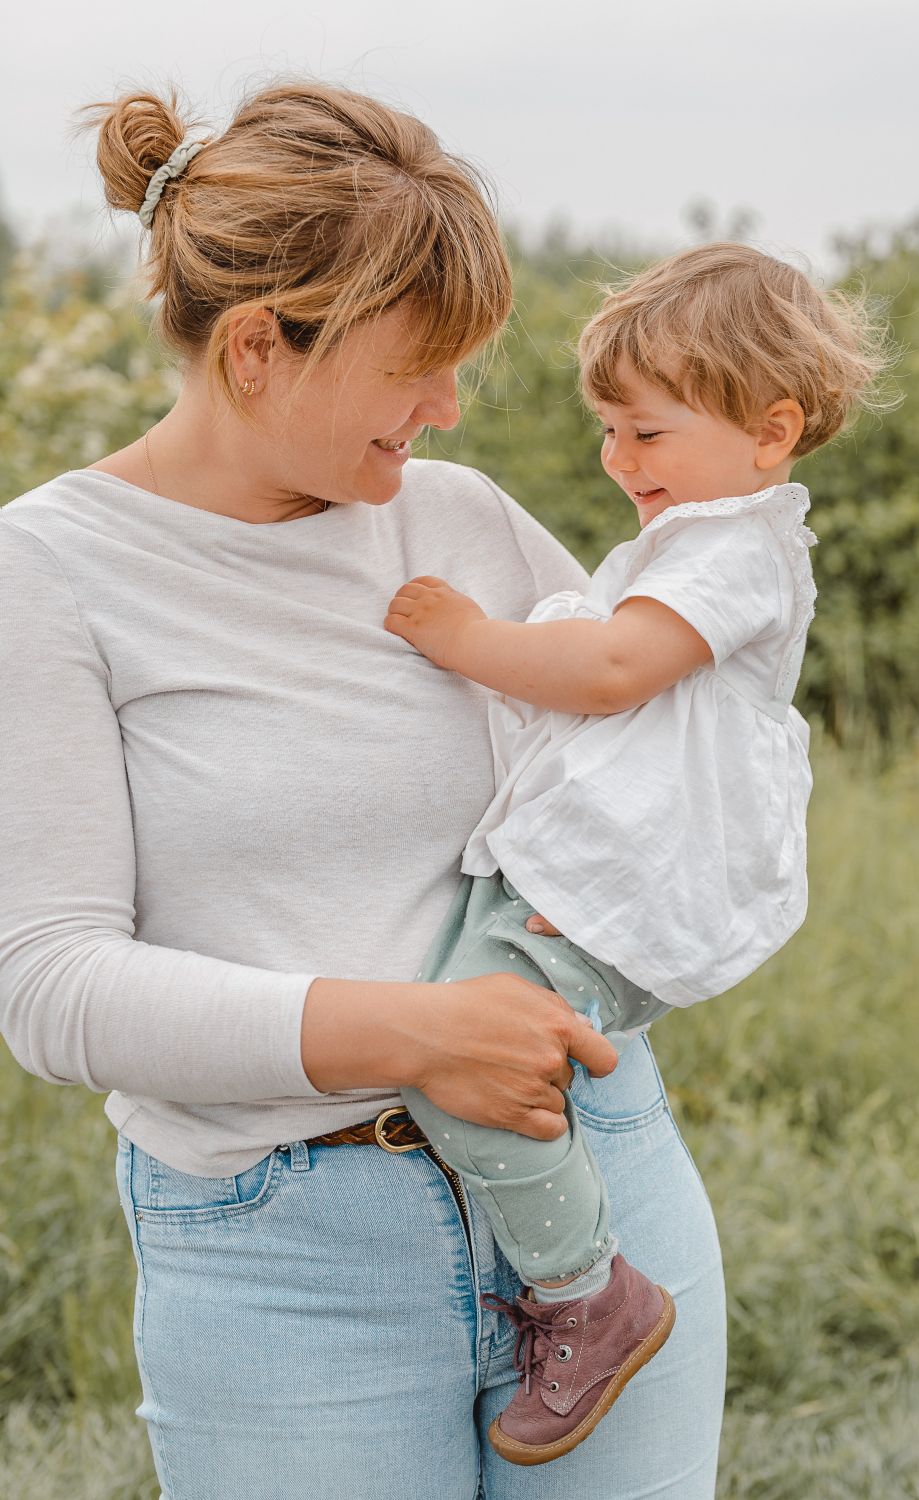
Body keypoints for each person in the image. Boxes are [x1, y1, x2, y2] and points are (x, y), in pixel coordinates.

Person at [0, 80, 728, 1499]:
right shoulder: (49, 573)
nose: (447, 411)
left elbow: (652, 774)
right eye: (417, 368)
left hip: (597, 1177)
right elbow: (50, 984)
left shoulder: (454, 519)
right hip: (284, 1257)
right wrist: (421, 1031)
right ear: (260, 346)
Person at [386, 244, 893, 1463]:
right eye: (608, 431)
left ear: (769, 432)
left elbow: (613, 676)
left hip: (618, 896)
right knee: (446, 1038)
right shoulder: (699, 541)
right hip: (581, 883)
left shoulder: (738, 552)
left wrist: (467, 638)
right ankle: (564, 1285)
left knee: (458, 1066)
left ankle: (583, 1295)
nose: (618, 462)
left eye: (647, 434)